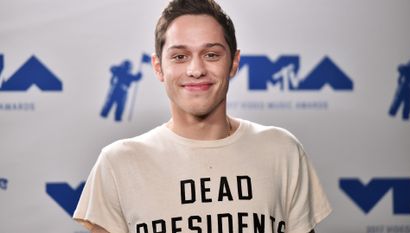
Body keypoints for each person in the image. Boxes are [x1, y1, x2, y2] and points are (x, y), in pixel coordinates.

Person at [73, 0, 332, 232]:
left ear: (233, 62)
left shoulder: (282, 150)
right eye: (180, 56)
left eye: (211, 55)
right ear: (158, 67)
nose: (196, 70)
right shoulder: (118, 163)